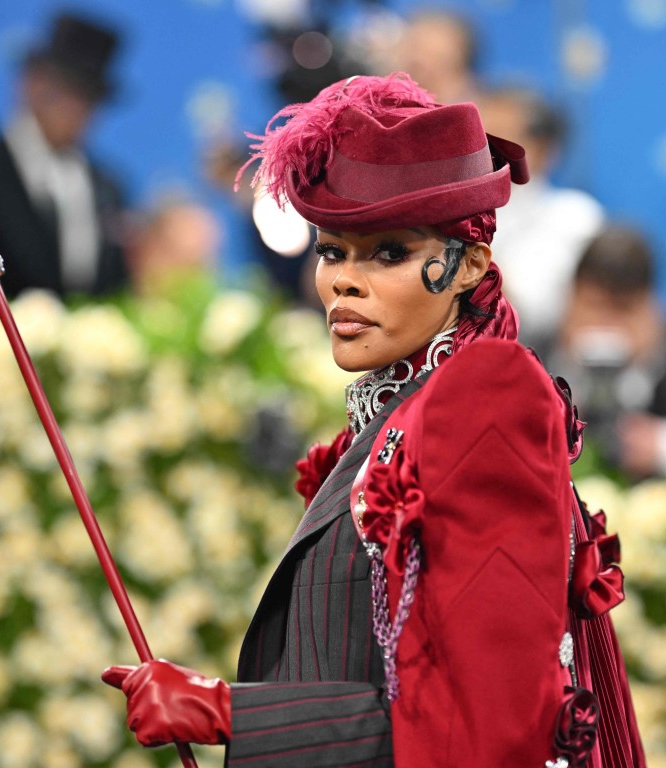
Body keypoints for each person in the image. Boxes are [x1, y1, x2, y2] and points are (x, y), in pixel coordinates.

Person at [102, 75, 645, 767]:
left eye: (388, 252)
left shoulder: (487, 394)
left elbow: (486, 722)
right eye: (332, 250)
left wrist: (228, 710)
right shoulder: (397, 414)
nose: (343, 281)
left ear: (468, 264)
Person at [0, 11, 129, 298]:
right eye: (67, 89)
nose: (77, 109)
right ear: (31, 83)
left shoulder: (108, 190)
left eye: (89, 97)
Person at [478, 85, 605, 355]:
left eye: (496, 137)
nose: (478, 151)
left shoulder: (574, 217)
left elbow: (532, 317)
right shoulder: (446, 212)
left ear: (542, 149)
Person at [551, 224, 666, 479]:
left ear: (651, 311)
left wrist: (660, 448)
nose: (607, 326)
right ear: (571, 299)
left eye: (624, 311)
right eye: (595, 307)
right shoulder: (529, 355)